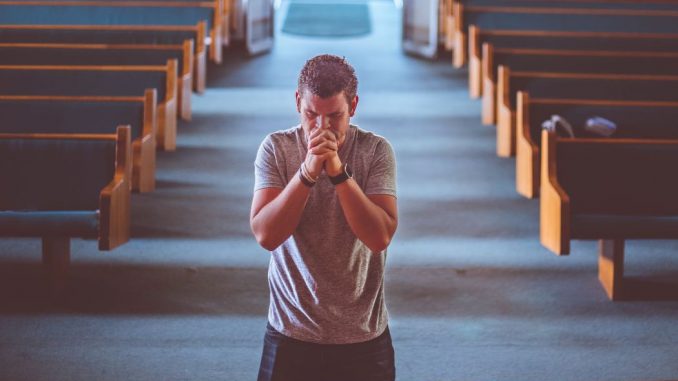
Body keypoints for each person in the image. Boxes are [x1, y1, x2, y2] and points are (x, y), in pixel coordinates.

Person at [250, 54, 398, 381]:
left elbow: (378, 237)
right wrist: (306, 172)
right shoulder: (276, 148)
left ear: (354, 106)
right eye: (311, 115)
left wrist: (338, 173)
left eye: (335, 116)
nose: (322, 128)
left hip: (362, 333)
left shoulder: (375, 151)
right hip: (291, 329)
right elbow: (266, 235)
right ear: (297, 103)